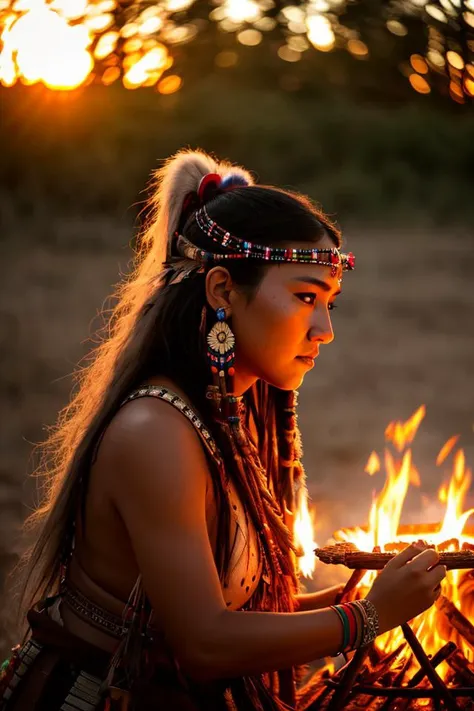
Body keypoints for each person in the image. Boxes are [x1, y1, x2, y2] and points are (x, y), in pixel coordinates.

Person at [0, 150, 446, 711]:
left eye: (330, 303)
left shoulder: (224, 417)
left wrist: (362, 600)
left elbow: (233, 613)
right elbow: (205, 642)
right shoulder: (155, 431)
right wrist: (367, 616)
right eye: (306, 298)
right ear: (221, 291)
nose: (325, 329)